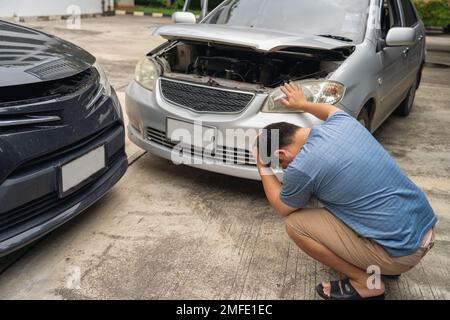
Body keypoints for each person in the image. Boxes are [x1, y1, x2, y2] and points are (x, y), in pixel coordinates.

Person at [253, 83, 437, 300]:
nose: (286, 169)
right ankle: (385, 261)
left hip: (403, 253)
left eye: (282, 165)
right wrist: (303, 103)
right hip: (426, 227)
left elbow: (282, 206)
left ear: (281, 153)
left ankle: (367, 283)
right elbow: (329, 110)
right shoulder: (342, 122)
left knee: (296, 226)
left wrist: (261, 164)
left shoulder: (302, 167)